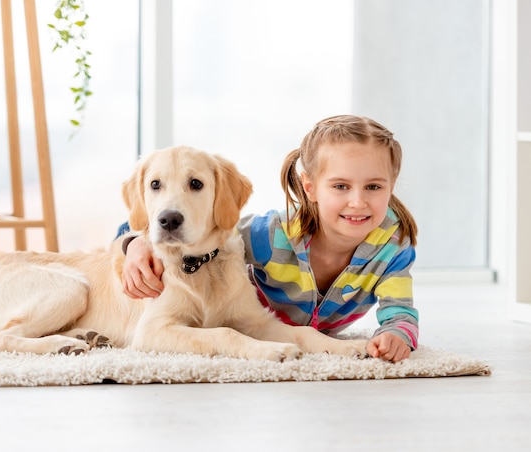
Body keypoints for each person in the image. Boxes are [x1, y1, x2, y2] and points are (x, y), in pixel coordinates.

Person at [121, 115, 419, 363]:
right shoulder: (272, 234)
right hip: (255, 323)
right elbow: (210, 232)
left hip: (263, 326)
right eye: (341, 186)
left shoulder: (392, 247)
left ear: (392, 186)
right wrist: (133, 244)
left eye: (373, 187)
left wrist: (397, 335)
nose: (357, 201)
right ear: (310, 188)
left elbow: (400, 309)